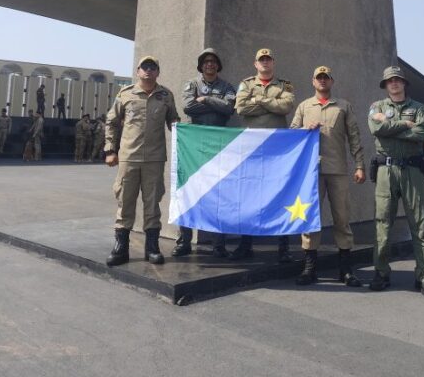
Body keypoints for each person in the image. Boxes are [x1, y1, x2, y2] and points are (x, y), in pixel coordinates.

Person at [290, 66, 366, 287]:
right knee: (310, 219)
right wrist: (305, 128)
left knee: (342, 219)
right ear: (313, 82)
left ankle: (345, 270)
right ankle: (310, 268)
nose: (322, 81)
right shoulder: (304, 106)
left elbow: (354, 137)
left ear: (331, 81)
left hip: (337, 171)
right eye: (318, 78)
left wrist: (359, 165)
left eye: (326, 78)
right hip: (311, 172)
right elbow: (291, 132)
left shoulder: (343, 106)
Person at [367, 65, 424, 297]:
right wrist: (405, 125)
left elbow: (422, 134)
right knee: (382, 223)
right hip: (386, 171)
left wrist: (390, 129)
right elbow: (374, 128)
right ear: (385, 85)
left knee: (419, 224)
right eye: (390, 81)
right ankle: (381, 272)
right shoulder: (376, 107)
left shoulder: (419, 108)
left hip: (412, 170)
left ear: (404, 83)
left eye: (398, 80)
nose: (394, 84)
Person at [105, 55, 180, 266]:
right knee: (125, 201)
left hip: (155, 159)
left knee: (152, 203)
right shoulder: (125, 94)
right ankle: (121, 248)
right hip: (128, 157)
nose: (148, 70)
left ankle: (152, 247)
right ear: (138, 71)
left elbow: (174, 122)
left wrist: (183, 136)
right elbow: (111, 122)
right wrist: (110, 149)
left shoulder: (166, 96)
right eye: (144, 67)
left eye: (152, 67)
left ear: (158, 72)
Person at [233, 48, 295, 262]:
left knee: (279, 193)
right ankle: (245, 243)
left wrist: (259, 100)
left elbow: (286, 107)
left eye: (268, 59)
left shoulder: (284, 85)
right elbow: (240, 108)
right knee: (248, 193)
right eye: (262, 60)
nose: (265, 63)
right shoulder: (247, 84)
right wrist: (271, 105)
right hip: (252, 147)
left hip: (277, 148)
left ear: (273, 63)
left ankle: (283, 246)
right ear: (255, 64)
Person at [174, 48, 237, 258]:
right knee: (188, 190)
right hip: (195, 143)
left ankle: (218, 244)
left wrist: (206, 100)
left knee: (220, 192)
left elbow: (229, 109)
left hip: (219, 143)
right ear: (201, 66)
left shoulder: (227, 86)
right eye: (206, 62)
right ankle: (184, 240)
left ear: (218, 65)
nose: (209, 64)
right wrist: (210, 104)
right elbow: (188, 107)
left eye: (213, 61)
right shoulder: (192, 84)